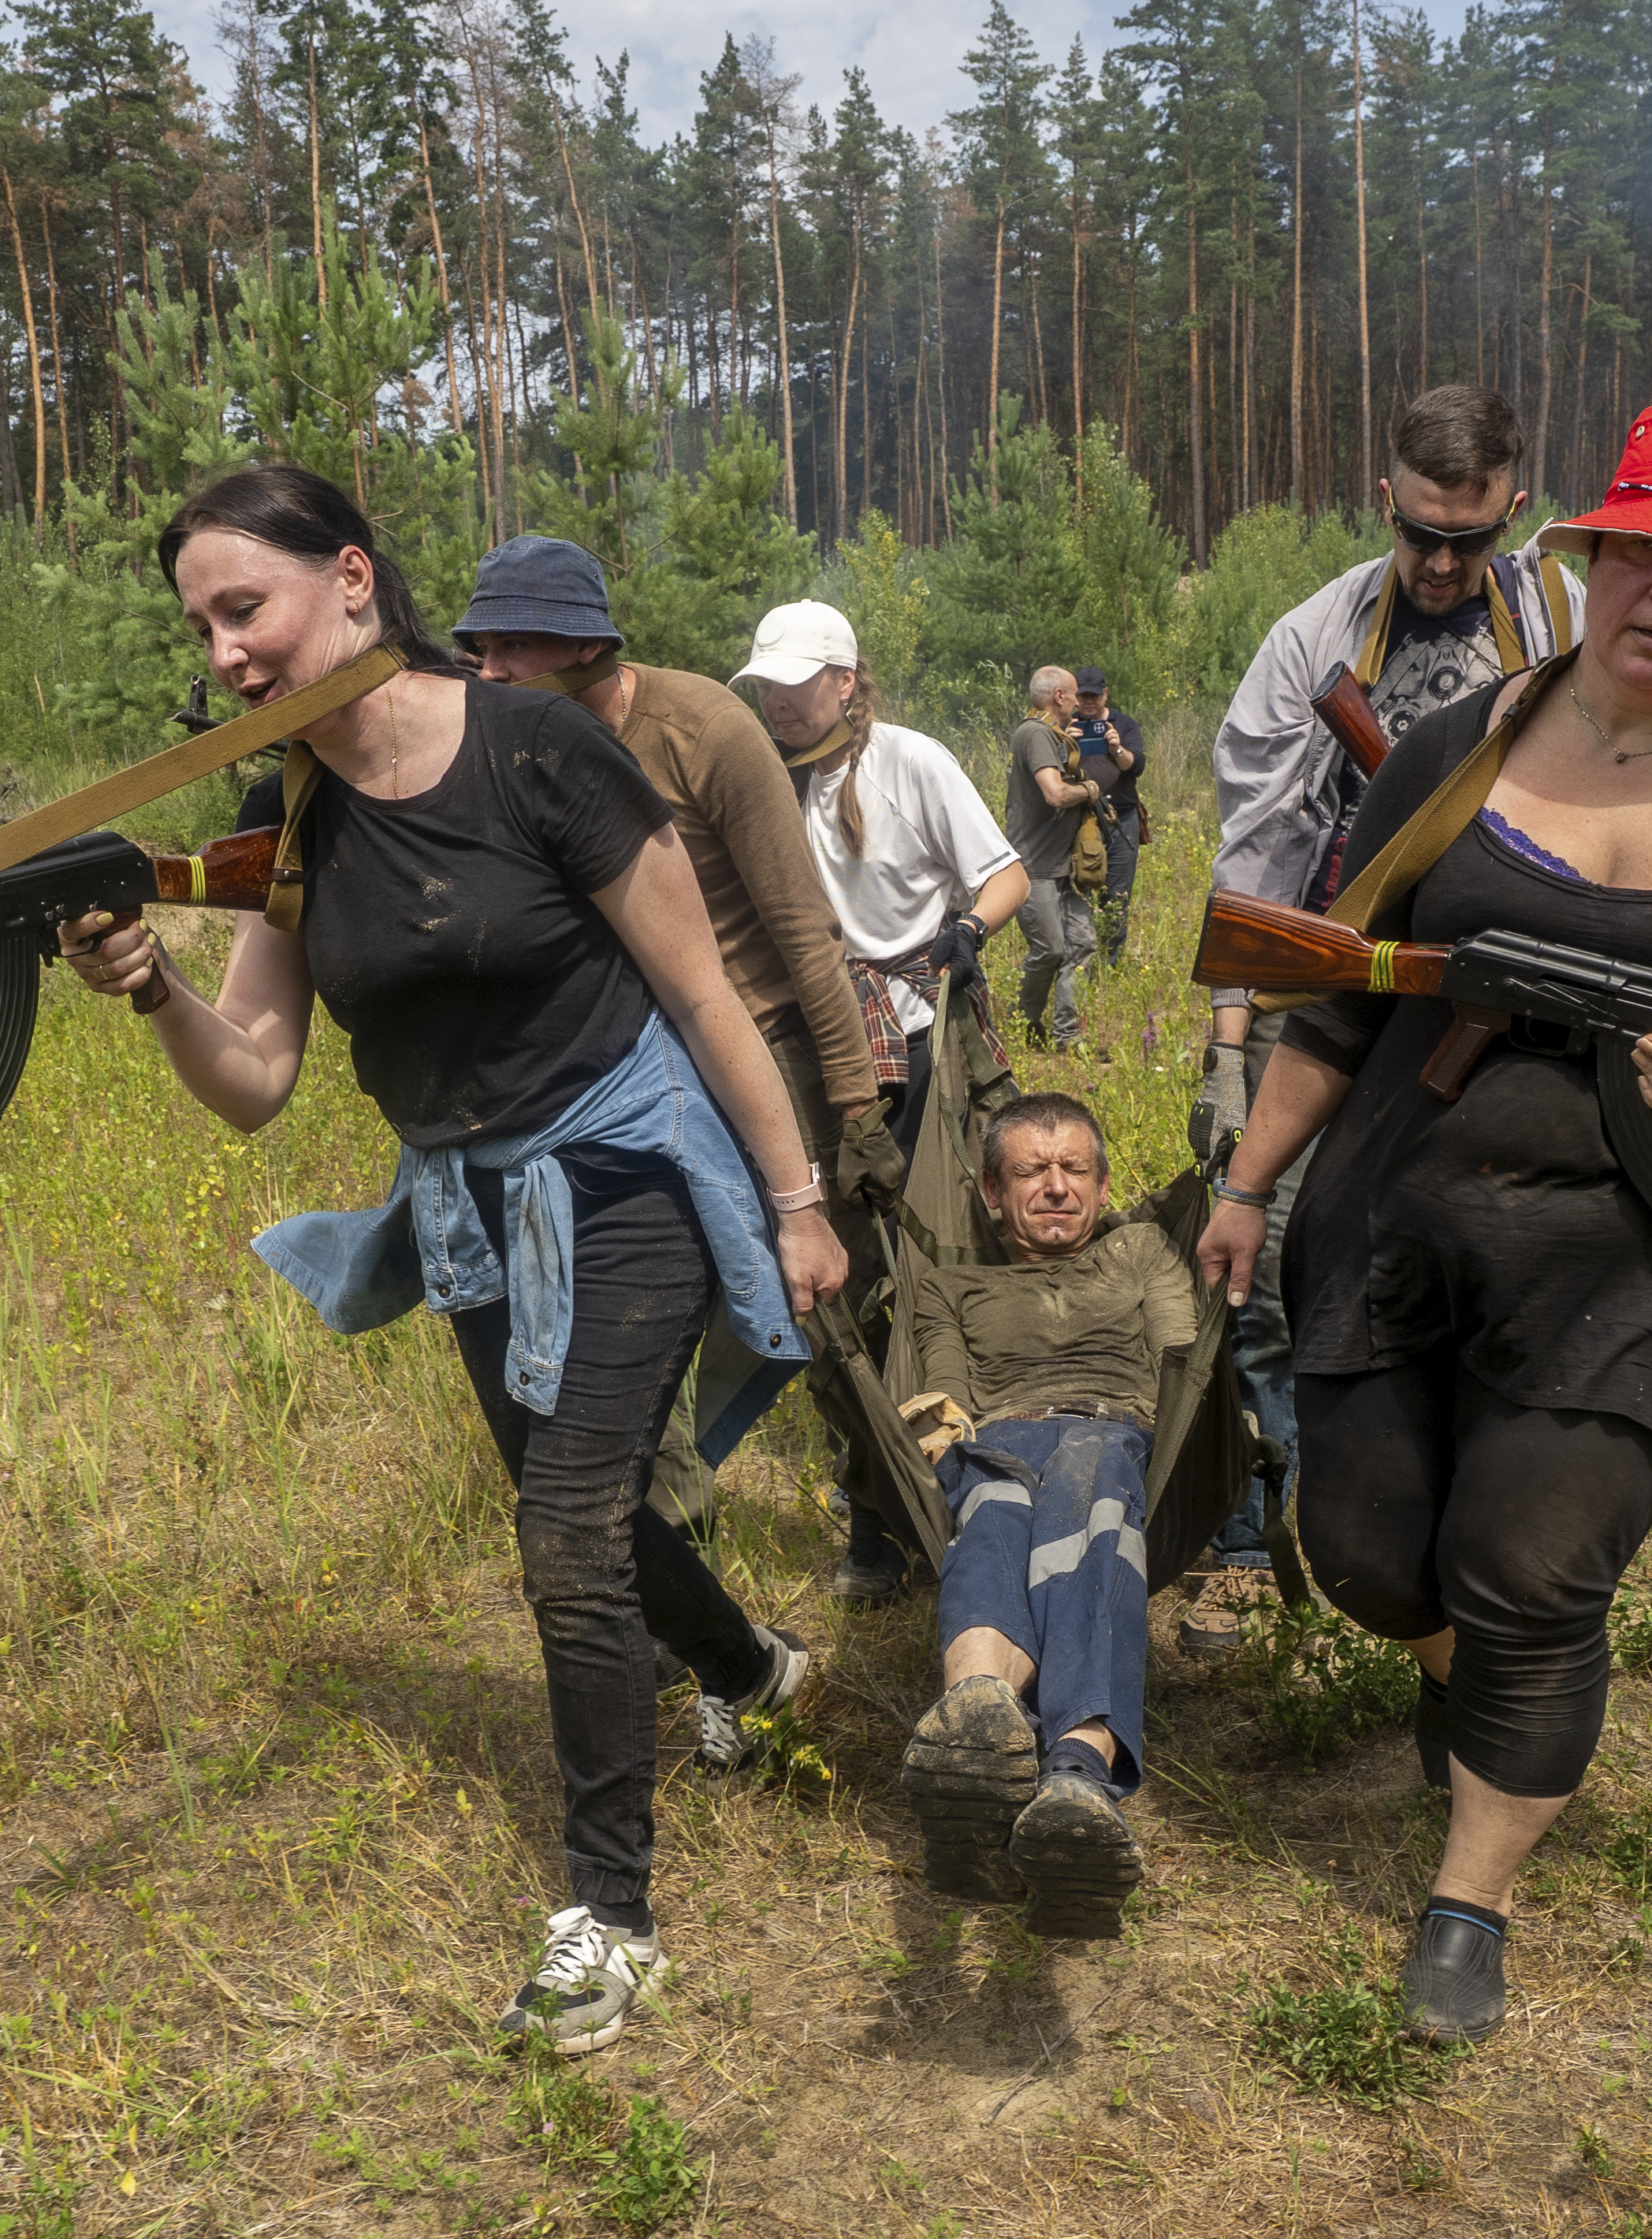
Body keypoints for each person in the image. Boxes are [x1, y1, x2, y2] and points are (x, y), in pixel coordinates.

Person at [55, 465, 845, 2059]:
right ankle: (754, 1669)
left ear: (351, 578)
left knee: (566, 1530)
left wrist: (797, 1197)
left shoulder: (538, 746)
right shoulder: (295, 813)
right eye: (201, 626)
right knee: (582, 1507)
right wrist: (152, 990)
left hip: (630, 1170)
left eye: (244, 607)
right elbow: (254, 1078)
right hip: (472, 1209)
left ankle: (609, 1917)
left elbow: (702, 991)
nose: (224, 651)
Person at [1192, 401, 1652, 2047]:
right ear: (1591, 557)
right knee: (1369, 1556)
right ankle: (1459, 1675)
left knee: (1528, 1568)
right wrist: (1244, 1186)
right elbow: (1338, 994)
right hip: (1397, 1219)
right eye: (1645, 554)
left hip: (1646, 1251)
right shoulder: (1457, 748)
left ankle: (1469, 1899)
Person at [451, 539, 900, 1579]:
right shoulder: (504, 744)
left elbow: (804, 932)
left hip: (765, 1051)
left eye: (514, 649)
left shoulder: (702, 730)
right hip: (626, 1075)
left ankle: (883, 1520)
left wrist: (856, 1108)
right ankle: (676, 1578)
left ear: (587, 648)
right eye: (481, 649)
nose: (490, 671)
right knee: (635, 1325)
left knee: (830, 1305)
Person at [1191, 385, 1586, 1566]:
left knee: (1484, 1257)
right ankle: (1259, 1526)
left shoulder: (1567, 621)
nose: (1443, 563)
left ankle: (1454, 1532)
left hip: (1514, 992)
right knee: (1260, 1262)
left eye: (1473, 537)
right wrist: (1227, 1045)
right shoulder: (1312, 640)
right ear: (1384, 501)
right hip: (1330, 983)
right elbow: (1259, 856)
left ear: (1516, 506)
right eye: (1420, 533)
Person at [732, 597, 1034, 1605]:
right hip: (804, 1059)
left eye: (795, 683)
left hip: (916, 1047)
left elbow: (1004, 875)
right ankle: (874, 1510)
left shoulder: (910, 761)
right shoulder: (758, 776)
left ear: (844, 680)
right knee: (838, 1280)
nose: (778, 702)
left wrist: (968, 933)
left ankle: (982, 1485)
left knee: (949, 1262)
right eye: (766, 686)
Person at [895, 1092, 1196, 1938]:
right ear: (994, 1192)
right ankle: (977, 1723)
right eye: (1032, 1170)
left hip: (1118, 1430)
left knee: (1091, 1500)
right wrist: (951, 1439)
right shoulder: (948, 1284)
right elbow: (946, 1398)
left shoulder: (1141, 1250)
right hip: (999, 1435)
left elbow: (1182, 1363)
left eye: (1075, 1170)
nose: (1057, 1186)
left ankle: (1073, 1769)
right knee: (992, 1501)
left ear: (1101, 1187)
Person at [1003, 665, 1106, 1052]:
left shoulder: (1052, 734)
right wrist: (1090, 790)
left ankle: (1068, 1037)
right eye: (1074, 695)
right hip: (1036, 867)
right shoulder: (1036, 734)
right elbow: (1055, 794)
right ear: (1059, 696)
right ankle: (1025, 1023)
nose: (1079, 703)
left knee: (1081, 945)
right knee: (1050, 949)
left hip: (1067, 867)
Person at [1069, 667, 1148, 964]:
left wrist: (1117, 748)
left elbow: (1137, 767)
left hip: (1121, 819)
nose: (1089, 702)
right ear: (1075, 698)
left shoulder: (1123, 724)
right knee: (1080, 888)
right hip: (1082, 820)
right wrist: (1065, 743)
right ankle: (1082, 961)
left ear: (1105, 694)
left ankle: (1110, 964)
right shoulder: (1068, 725)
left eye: (1095, 695)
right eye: (1083, 696)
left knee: (1117, 895)